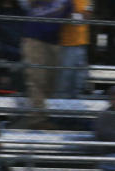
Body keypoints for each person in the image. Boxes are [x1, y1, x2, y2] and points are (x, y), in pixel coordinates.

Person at [18, 0, 71, 128]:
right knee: (36, 80)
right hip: (34, 38)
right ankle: (37, 120)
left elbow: (69, 15)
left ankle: (42, 116)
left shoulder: (67, 2)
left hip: (54, 40)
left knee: (50, 83)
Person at [55, 0, 91, 99]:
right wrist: (76, 16)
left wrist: (73, 16)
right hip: (65, 44)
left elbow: (87, 16)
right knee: (63, 83)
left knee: (79, 83)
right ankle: (61, 111)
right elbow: (59, 14)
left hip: (82, 43)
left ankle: (76, 110)